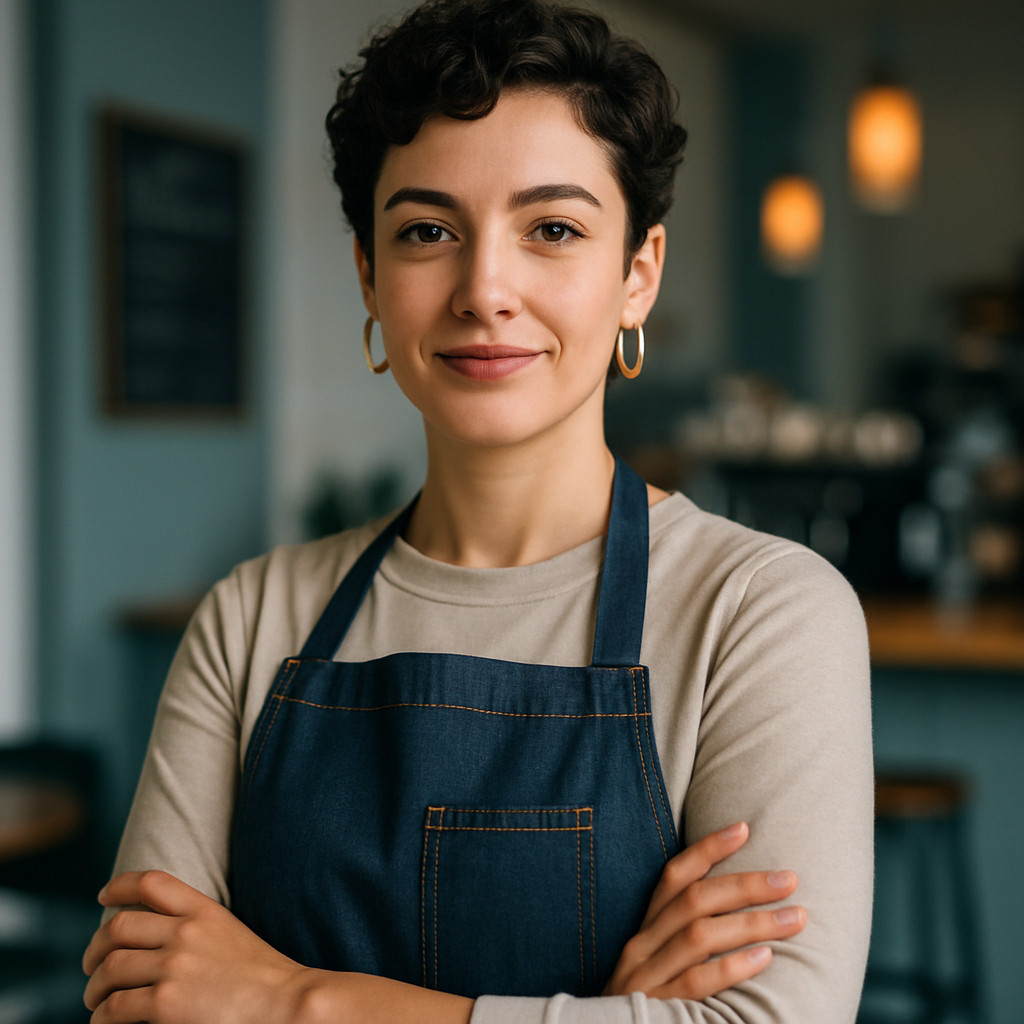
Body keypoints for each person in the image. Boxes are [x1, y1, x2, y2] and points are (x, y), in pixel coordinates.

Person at [81, 1, 874, 1022]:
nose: (483, 287)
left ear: (637, 274)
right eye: (425, 231)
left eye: (551, 229)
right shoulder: (250, 621)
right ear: (370, 272)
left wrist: (292, 998)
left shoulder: (761, 613)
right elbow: (144, 1002)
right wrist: (602, 1009)